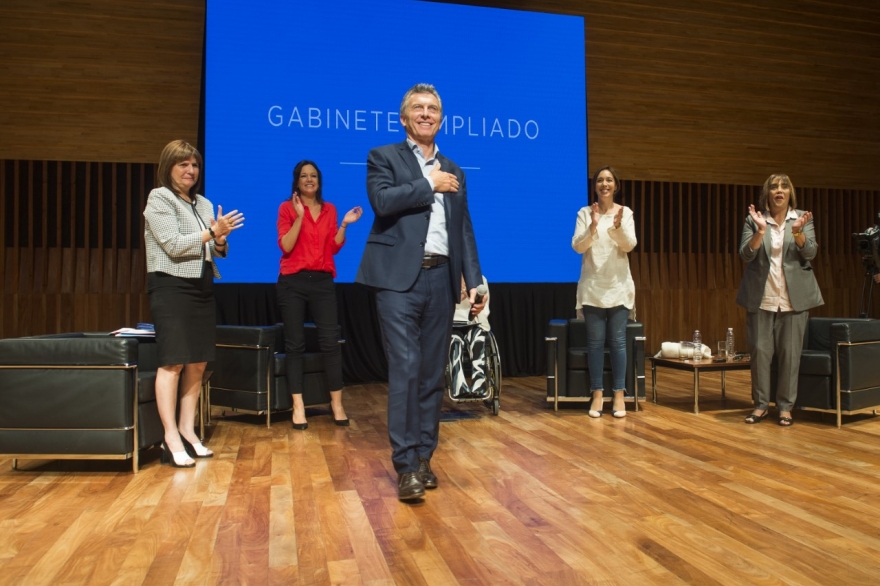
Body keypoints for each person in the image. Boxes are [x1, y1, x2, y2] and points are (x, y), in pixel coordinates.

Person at [356, 83, 486, 501]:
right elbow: (382, 201)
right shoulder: (384, 157)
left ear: (441, 118)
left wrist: (475, 278)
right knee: (406, 369)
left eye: (433, 108)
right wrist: (428, 184)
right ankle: (406, 465)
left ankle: (426, 458)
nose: (426, 113)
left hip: (442, 279)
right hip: (396, 281)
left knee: (432, 375)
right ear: (404, 117)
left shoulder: (455, 169)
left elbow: (463, 230)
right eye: (419, 107)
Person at [144, 139, 244, 467]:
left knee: (198, 362)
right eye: (183, 164)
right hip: (171, 286)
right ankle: (169, 436)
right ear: (168, 168)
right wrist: (210, 233)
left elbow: (214, 250)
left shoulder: (203, 203)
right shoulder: (159, 198)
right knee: (173, 361)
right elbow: (172, 245)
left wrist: (220, 239)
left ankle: (188, 430)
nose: (190, 170)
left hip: (201, 286)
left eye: (194, 165)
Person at [276, 160, 362, 429]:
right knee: (295, 344)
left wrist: (345, 225)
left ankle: (336, 404)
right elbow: (286, 246)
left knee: (329, 342)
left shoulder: (330, 209)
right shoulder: (286, 208)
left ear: (319, 181)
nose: (309, 179)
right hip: (293, 280)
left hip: (323, 280)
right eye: (304, 176)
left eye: (313, 176)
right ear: (297, 181)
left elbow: (333, 248)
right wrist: (300, 216)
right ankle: (298, 406)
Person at [736, 173, 823, 426]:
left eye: (784, 186)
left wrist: (797, 233)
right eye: (774, 186)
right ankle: (760, 405)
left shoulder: (802, 218)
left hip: (793, 297)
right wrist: (760, 232)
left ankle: (785, 408)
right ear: (767, 193)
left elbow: (811, 252)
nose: (779, 190)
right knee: (760, 352)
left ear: (790, 193)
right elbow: (745, 254)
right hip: (760, 296)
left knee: (790, 353)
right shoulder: (755, 219)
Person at [572, 166, 637, 419]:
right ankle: (597, 393)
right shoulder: (585, 213)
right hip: (592, 286)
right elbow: (577, 247)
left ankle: (619, 394)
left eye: (609, 180)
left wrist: (617, 227)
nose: (604, 184)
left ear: (616, 185)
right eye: (600, 180)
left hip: (619, 285)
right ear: (595, 186)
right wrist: (593, 227)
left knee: (618, 342)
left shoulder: (626, 213)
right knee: (595, 343)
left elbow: (630, 245)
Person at [449, 275, 491, 399]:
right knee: (454, 340)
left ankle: (479, 384)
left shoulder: (480, 280)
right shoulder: (445, 277)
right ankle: (458, 386)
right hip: (451, 324)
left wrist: (478, 308)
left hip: (473, 322)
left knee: (478, 337)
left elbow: (485, 310)